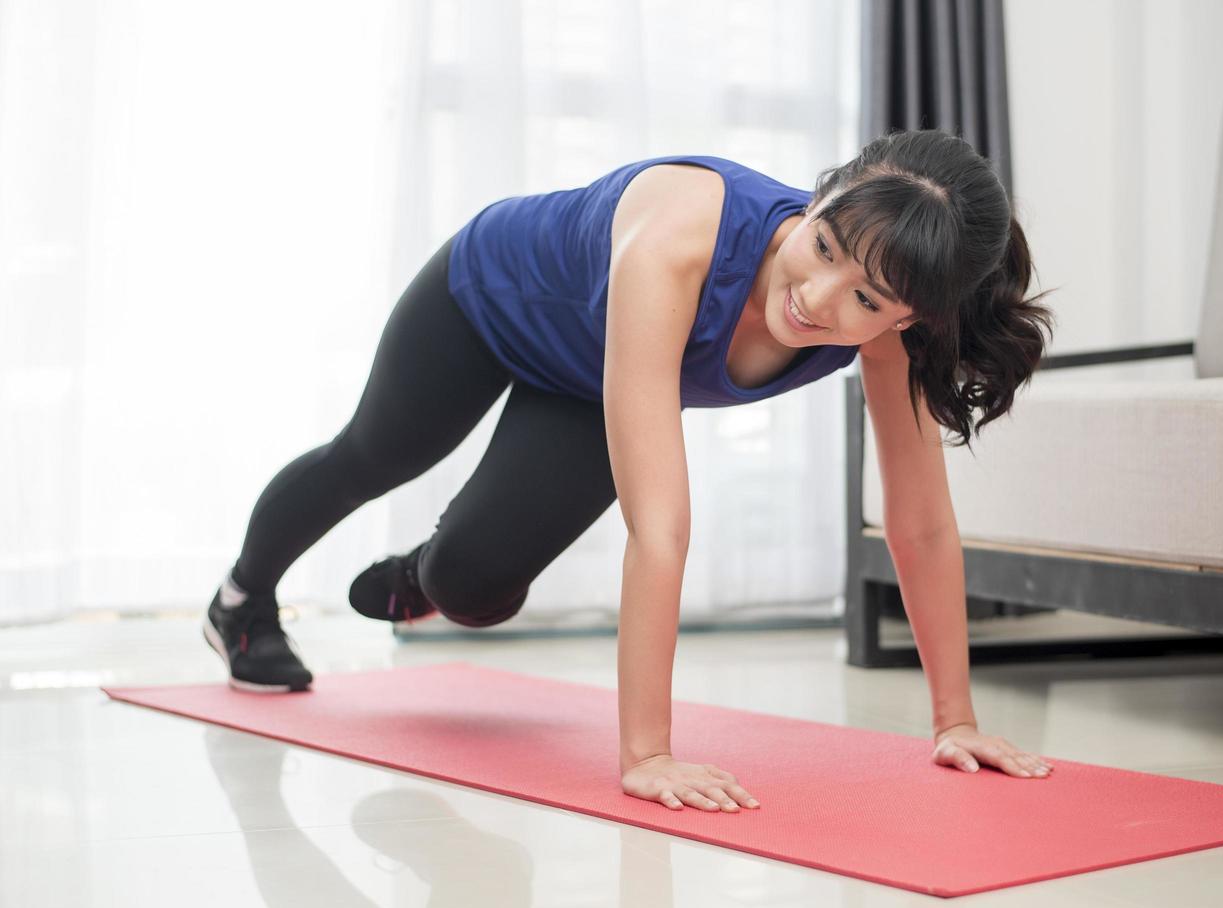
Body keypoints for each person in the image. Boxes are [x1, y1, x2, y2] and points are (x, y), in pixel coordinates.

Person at [201, 128, 1058, 812]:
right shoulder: (683, 238)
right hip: (493, 297)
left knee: (470, 586)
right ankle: (241, 601)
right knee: (373, 455)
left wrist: (956, 721)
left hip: (588, 376)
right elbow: (661, 527)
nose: (820, 299)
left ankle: (424, 571)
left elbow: (917, 520)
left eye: (868, 300)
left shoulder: (888, 337)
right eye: (824, 245)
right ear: (823, 192)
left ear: (911, 316)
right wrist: (647, 754)